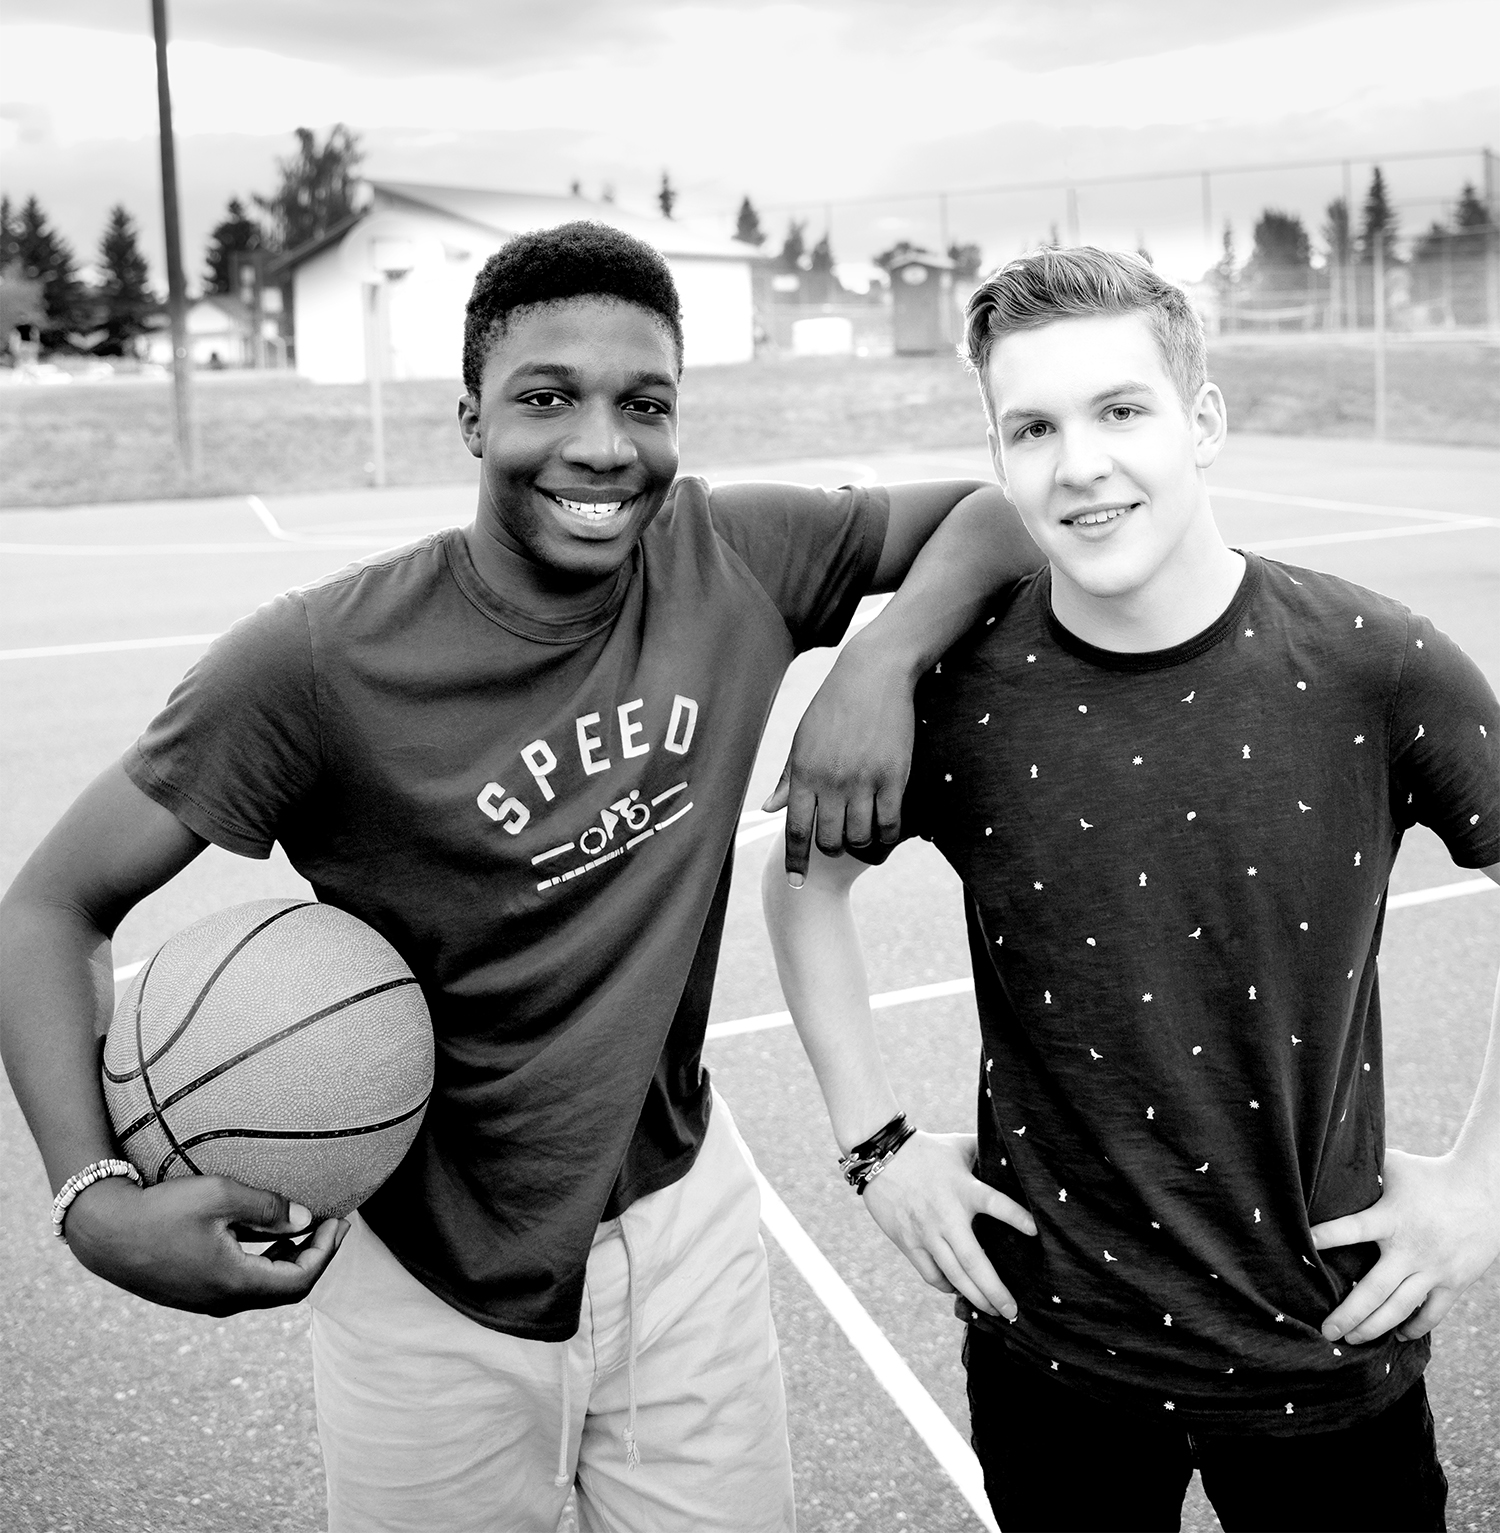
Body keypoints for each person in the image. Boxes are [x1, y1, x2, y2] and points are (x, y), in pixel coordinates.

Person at [0, 221, 1042, 1533]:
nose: (603, 444)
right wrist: (92, 1201)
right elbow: (46, 909)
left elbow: (993, 511)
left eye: (645, 402)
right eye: (547, 396)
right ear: (472, 421)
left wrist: (874, 667)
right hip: (424, 1279)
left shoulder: (733, 559)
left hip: (682, 1235)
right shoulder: (316, 665)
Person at [762, 246, 1500, 1533]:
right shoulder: (958, 697)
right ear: (999, 458)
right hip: (1055, 1362)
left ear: (1202, 422)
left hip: (1325, 1351)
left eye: (1121, 410)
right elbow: (803, 887)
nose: (1080, 464)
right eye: (1032, 428)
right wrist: (876, 1146)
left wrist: (1491, 1182)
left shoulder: (1378, 665)